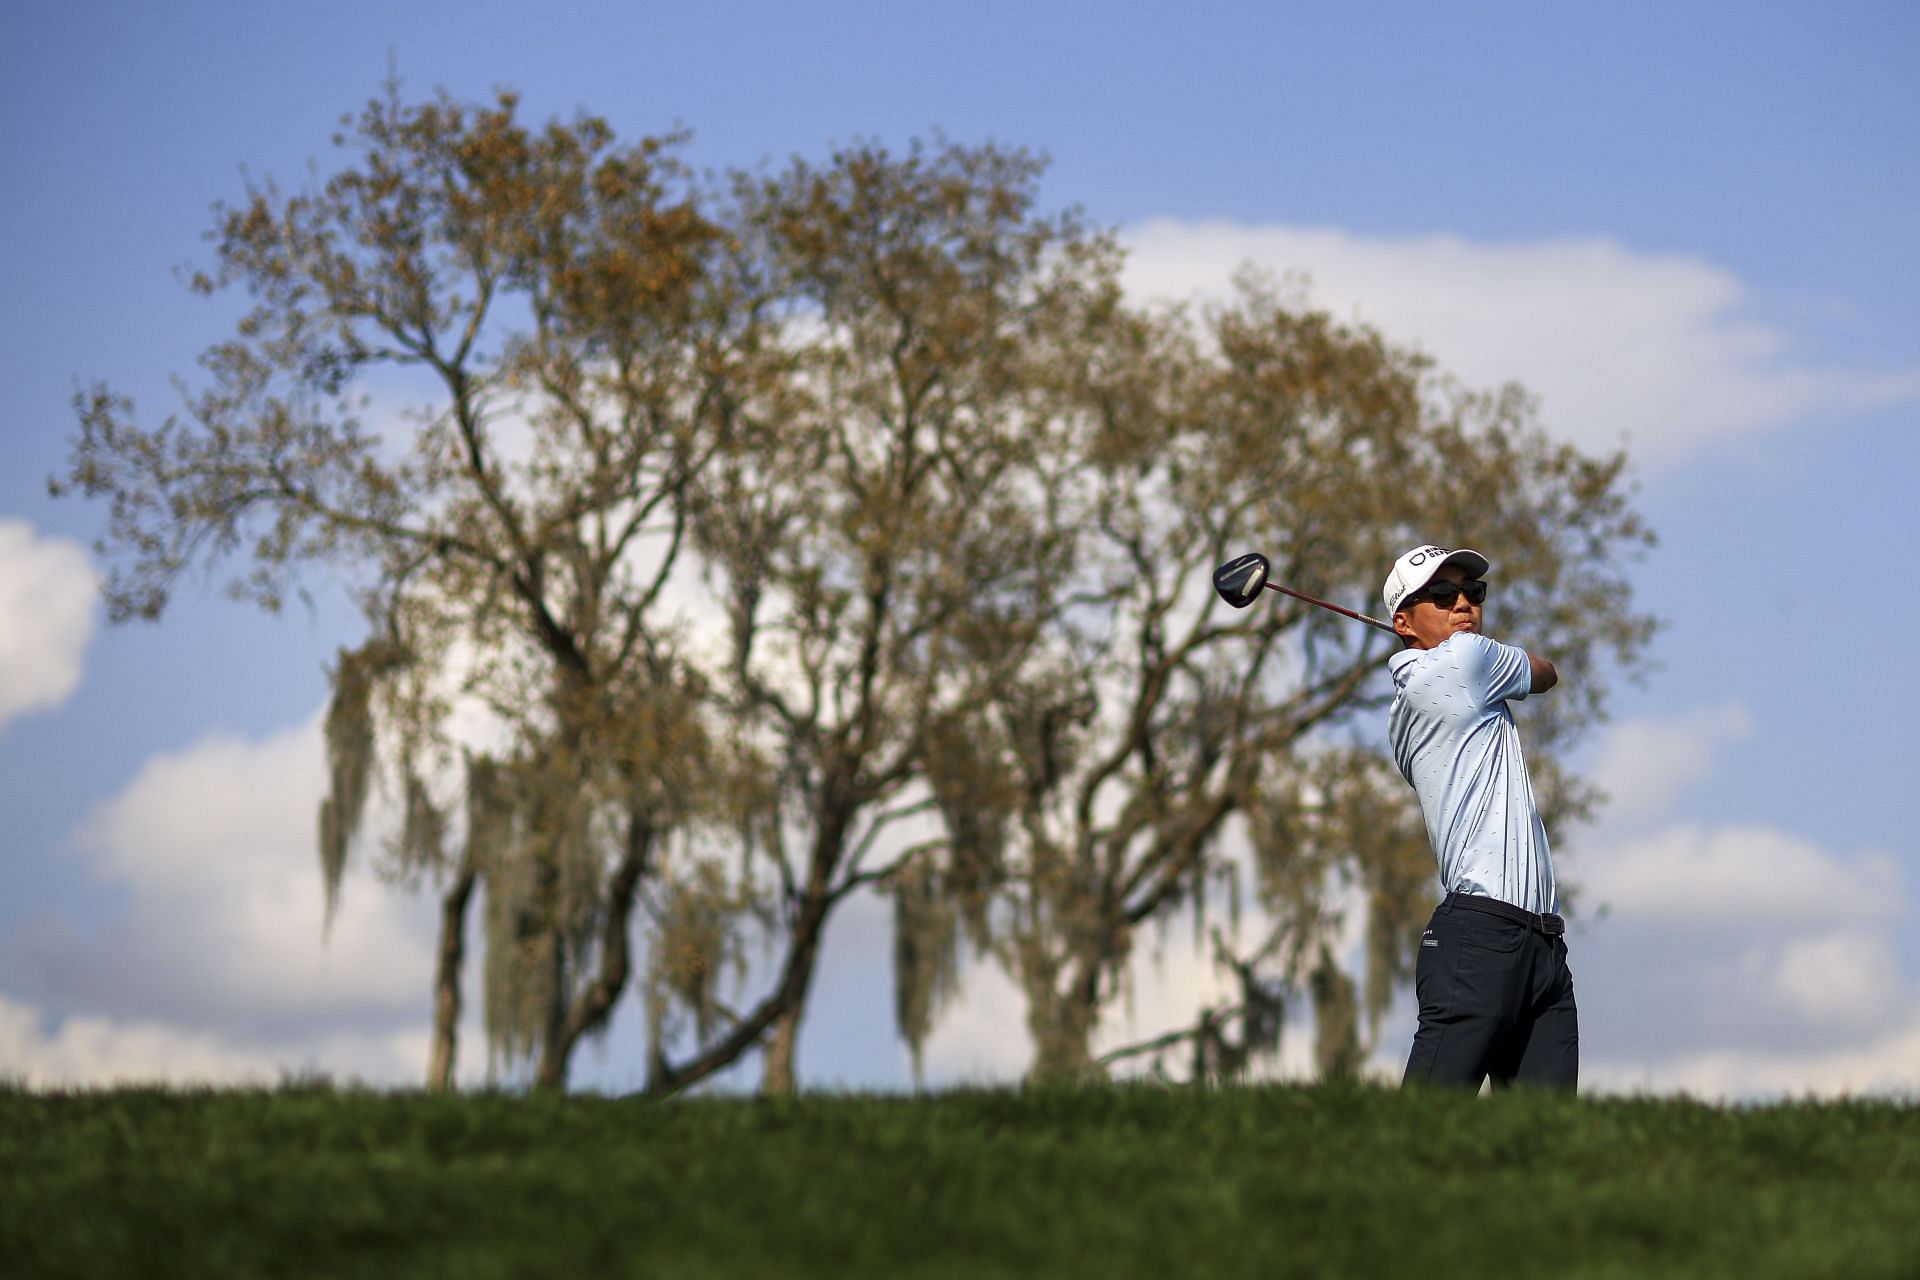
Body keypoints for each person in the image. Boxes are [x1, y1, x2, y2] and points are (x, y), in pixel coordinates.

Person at [1381, 543, 1577, 1091]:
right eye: (1442, 595)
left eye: (1474, 592)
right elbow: (1546, 672)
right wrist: (1503, 657)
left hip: (1544, 950)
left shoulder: (1425, 688)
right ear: (1403, 621)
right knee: (1423, 1136)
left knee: (1549, 1155)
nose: (1463, 603)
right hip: (1479, 940)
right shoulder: (1466, 662)